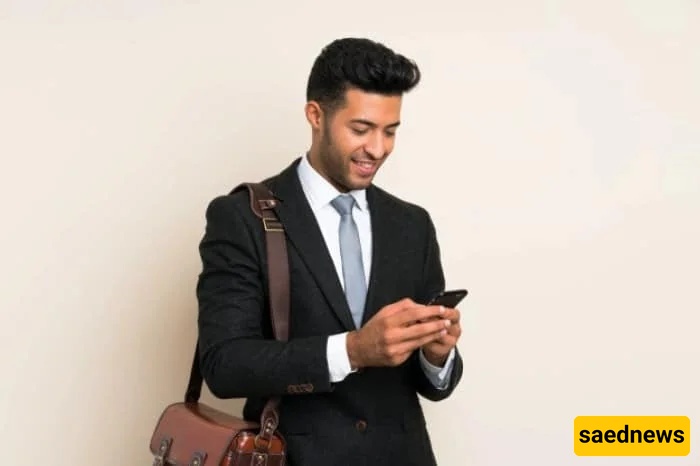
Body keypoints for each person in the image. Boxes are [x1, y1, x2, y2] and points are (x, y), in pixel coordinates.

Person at [196, 37, 464, 466]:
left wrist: (436, 355)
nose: (377, 149)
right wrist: (353, 349)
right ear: (316, 115)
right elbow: (225, 365)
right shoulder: (242, 217)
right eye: (361, 129)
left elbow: (430, 384)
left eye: (390, 131)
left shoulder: (413, 225)